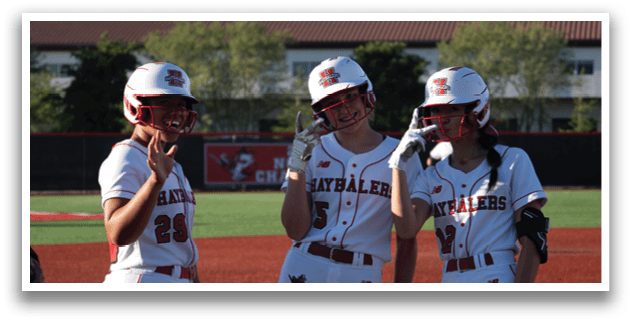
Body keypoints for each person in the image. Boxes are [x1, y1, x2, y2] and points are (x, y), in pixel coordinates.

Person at [389, 66, 549, 283]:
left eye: (451, 108)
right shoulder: (431, 176)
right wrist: (397, 164)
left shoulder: (513, 160)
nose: (441, 118)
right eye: (435, 110)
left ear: (478, 109)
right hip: (450, 278)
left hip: (498, 275)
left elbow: (533, 238)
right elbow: (406, 230)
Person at [278, 56, 420, 283]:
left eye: (350, 96)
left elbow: (407, 236)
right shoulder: (312, 149)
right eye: (332, 102)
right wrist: (297, 166)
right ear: (321, 111)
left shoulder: (403, 154)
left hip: (362, 273)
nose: (344, 107)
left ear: (367, 95)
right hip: (304, 265)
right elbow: (295, 231)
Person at [98, 62, 200, 283]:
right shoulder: (125, 156)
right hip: (143, 277)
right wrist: (154, 182)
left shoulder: (173, 165)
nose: (178, 112)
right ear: (135, 105)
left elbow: (180, 250)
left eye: (182, 103)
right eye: (165, 102)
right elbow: (118, 233)